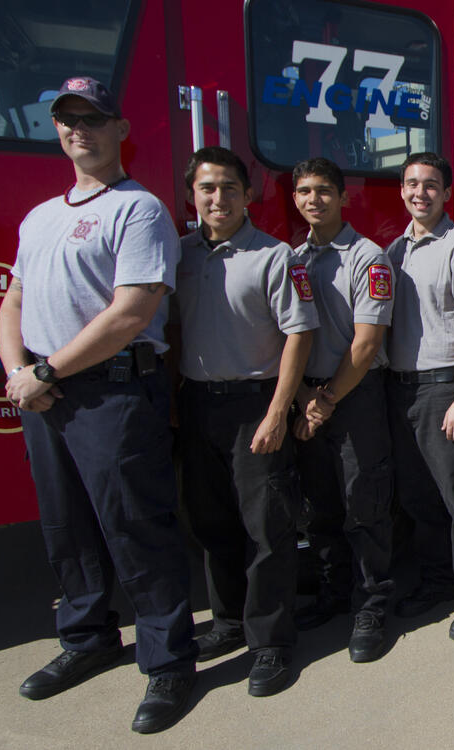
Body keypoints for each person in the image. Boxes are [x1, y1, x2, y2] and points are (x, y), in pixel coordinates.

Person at [0, 76, 196, 734]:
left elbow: (132, 312)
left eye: (92, 118)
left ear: (120, 131)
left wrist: (47, 368)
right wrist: (20, 371)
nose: (78, 129)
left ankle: (169, 663)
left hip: (111, 388)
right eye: (67, 119)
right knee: (67, 528)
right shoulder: (38, 217)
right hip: (46, 393)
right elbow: (13, 303)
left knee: (136, 526)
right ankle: (86, 640)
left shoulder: (138, 211)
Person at [172, 146, 318, 695]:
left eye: (229, 188)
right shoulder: (180, 255)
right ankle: (229, 621)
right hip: (198, 401)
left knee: (266, 527)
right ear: (193, 195)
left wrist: (279, 411)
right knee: (210, 522)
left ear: (247, 195)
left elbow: (299, 336)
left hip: (255, 403)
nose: (218, 198)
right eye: (207, 188)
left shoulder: (275, 256)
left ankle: (272, 643)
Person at [383, 152, 454, 642]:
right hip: (402, 389)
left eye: (430, 185)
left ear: (447, 193)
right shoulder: (395, 249)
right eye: (411, 183)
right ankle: (436, 580)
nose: (419, 193)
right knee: (417, 496)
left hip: (444, 388)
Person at [286, 157, 397, 662]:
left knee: (364, 502)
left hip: (353, 398)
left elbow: (368, 342)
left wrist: (326, 398)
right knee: (321, 505)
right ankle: (333, 595)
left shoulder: (368, 258)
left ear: (343, 196)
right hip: (308, 398)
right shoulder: (292, 258)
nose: (315, 200)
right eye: (305, 191)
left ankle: (372, 604)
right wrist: (305, 399)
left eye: (324, 191)